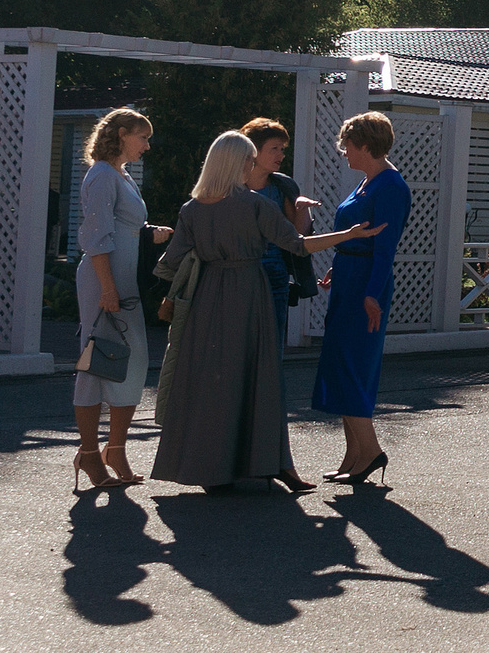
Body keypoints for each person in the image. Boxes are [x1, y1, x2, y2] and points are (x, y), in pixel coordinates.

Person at [150, 131, 381, 494]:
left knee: (209, 382)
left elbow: (171, 261)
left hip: (207, 300)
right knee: (262, 379)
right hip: (248, 293)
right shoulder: (255, 204)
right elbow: (298, 245)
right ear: (234, 163)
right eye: (248, 159)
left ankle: (214, 467)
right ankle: (275, 465)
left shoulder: (191, 209)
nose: (252, 165)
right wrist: (348, 235)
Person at [71, 109, 172, 491]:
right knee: (96, 362)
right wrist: (108, 288)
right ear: (123, 134)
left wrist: (148, 233)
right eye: (142, 137)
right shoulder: (100, 175)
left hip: (123, 277)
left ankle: (116, 449)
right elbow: (95, 235)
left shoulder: (121, 174)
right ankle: (90, 453)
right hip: (104, 280)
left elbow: (122, 225)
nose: (147, 145)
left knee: (131, 362)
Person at [315, 110, 412, 486]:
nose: (343, 152)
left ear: (367, 146)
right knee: (341, 363)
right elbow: (358, 237)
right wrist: (339, 268)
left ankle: (370, 452)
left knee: (353, 364)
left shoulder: (390, 186)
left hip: (366, 287)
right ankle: (353, 455)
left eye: (348, 145)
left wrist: (372, 294)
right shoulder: (368, 183)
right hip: (348, 279)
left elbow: (385, 248)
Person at [238, 117, 321, 351]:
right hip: (237, 274)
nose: (281, 155)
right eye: (274, 148)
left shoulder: (283, 186)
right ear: (252, 150)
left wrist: (302, 208)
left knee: (271, 348)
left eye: (282, 149)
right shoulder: (230, 186)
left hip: (275, 275)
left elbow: (297, 237)